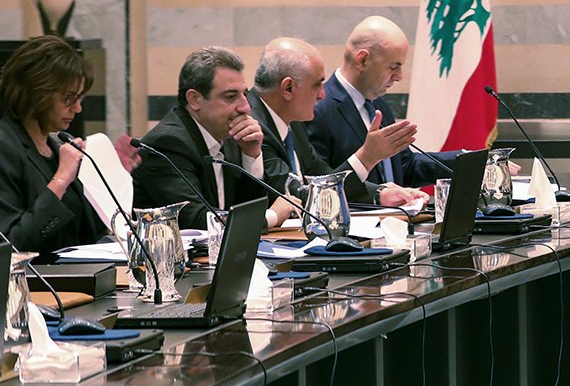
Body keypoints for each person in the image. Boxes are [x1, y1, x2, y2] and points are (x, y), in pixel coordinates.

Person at [252, 37, 421, 211]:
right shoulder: (254, 129)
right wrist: (367, 157)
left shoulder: (292, 122)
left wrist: (379, 194)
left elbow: (324, 178)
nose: (322, 94)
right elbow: (298, 197)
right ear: (288, 88)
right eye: (317, 85)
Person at [133, 46, 276, 229]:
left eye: (244, 94)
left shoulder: (229, 135)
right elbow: (196, 220)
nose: (245, 107)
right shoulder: (166, 144)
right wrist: (271, 216)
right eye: (231, 96)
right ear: (194, 99)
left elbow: (243, 207)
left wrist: (251, 154)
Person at [308, 16, 451, 188]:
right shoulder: (316, 109)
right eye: (393, 67)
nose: (399, 76)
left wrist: (466, 160)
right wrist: (368, 160)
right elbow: (319, 188)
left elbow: (404, 167)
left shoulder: (377, 104)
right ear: (362, 60)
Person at [0, 36, 108, 251]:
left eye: (80, 98)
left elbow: (88, 232)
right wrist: (61, 179)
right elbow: (11, 243)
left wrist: (108, 178)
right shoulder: (5, 147)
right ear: (38, 91)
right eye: (69, 98)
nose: (78, 108)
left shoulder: (55, 147)